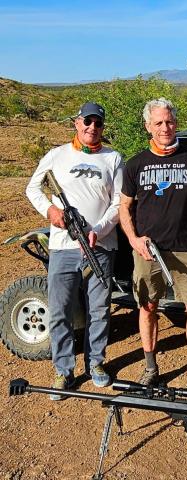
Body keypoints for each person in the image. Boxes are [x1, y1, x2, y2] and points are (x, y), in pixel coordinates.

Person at [26, 102, 123, 400]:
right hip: (63, 247)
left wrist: (99, 230)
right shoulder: (57, 155)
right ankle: (64, 370)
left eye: (98, 123)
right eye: (87, 122)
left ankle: (96, 363)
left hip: (100, 247)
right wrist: (51, 210)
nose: (92, 128)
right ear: (77, 123)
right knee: (60, 311)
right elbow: (33, 188)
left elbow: (120, 202)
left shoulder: (113, 158)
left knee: (99, 310)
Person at [119, 98, 187, 387]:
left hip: (186, 245)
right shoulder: (136, 164)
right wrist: (133, 240)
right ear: (148, 126)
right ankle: (151, 367)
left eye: (169, 121)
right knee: (148, 307)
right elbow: (124, 207)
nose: (165, 127)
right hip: (148, 249)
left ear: (175, 123)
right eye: (158, 123)